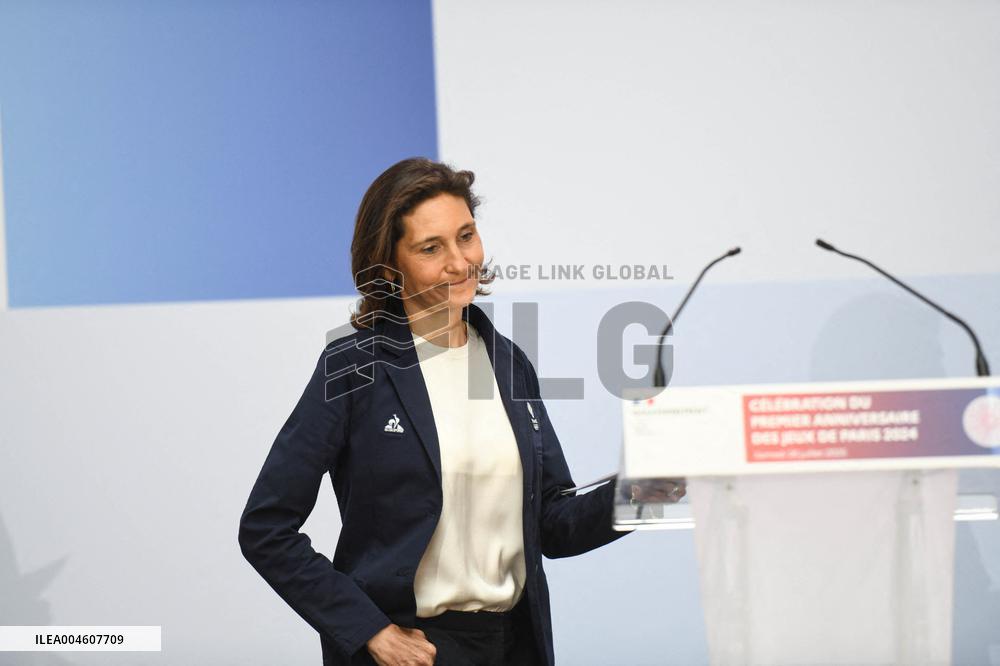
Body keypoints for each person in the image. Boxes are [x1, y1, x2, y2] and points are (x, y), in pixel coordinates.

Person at [238, 157, 686, 665]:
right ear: (388, 267)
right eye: (431, 248)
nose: (460, 262)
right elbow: (266, 528)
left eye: (466, 236)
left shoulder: (509, 363)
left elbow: (551, 524)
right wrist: (369, 631)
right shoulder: (353, 366)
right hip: (414, 651)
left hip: (514, 645)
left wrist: (639, 493)